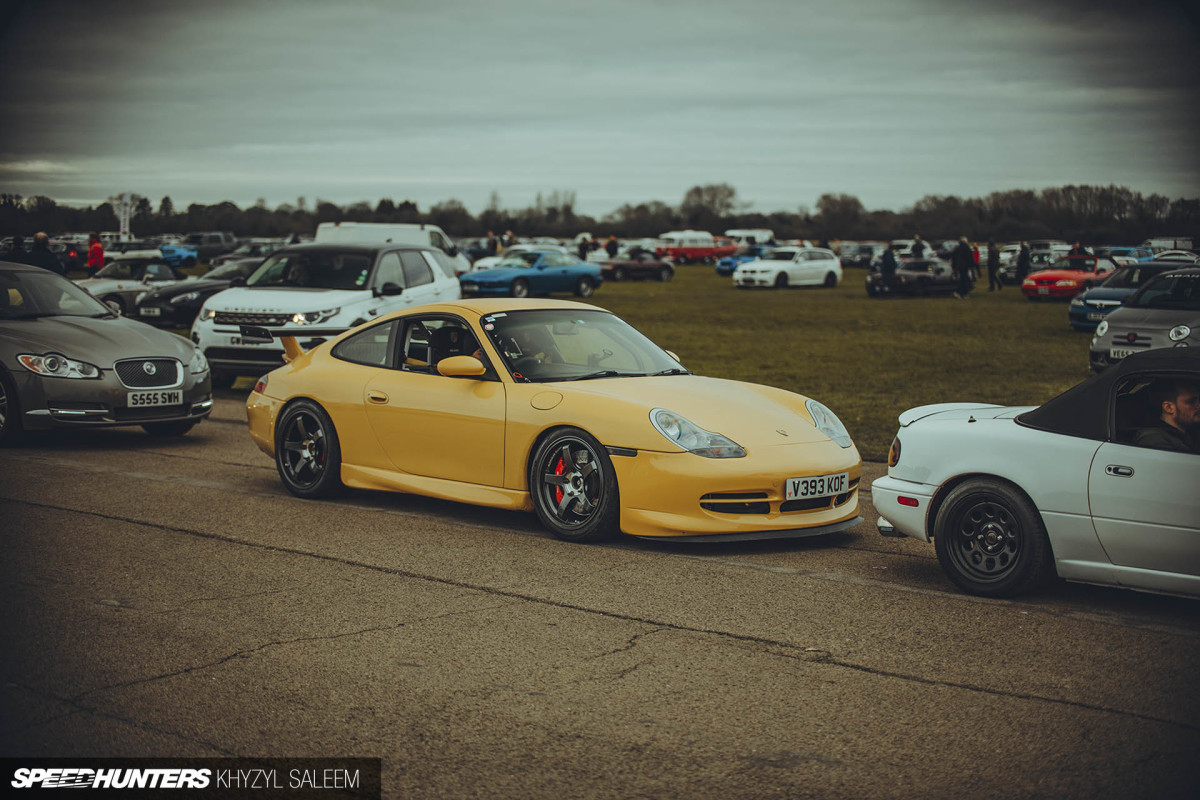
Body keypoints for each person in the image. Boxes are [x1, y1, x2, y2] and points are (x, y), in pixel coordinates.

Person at [1133, 379, 1200, 454]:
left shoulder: (1190, 431)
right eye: (1191, 401)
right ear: (1168, 407)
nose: (1198, 405)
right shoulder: (1154, 440)